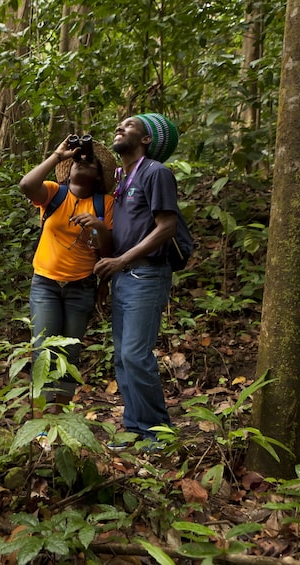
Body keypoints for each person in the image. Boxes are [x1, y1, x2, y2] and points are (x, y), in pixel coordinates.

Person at [93, 113, 180, 443]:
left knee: (135, 354)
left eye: (130, 126)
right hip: (123, 278)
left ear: (146, 140)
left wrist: (121, 261)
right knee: (121, 356)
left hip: (146, 274)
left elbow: (166, 227)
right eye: (120, 124)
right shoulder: (121, 178)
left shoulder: (156, 173)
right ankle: (134, 428)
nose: (120, 127)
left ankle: (157, 432)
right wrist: (108, 274)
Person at [19, 136, 116, 410]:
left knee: (69, 353)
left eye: (90, 162)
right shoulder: (53, 192)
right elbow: (26, 185)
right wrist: (57, 156)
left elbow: (107, 251)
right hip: (46, 284)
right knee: (43, 351)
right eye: (78, 161)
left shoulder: (105, 204)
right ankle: (40, 419)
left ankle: (58, 413)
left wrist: (99, 226)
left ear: (98, 175)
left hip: (81, 286)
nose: (82, 163)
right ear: (69, 170)